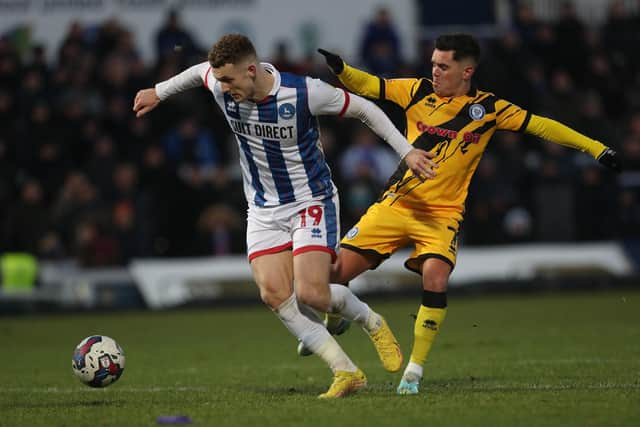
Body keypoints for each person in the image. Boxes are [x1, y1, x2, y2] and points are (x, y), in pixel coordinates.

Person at [307, 33, 621, 395]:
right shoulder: (415, 91)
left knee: (436, 278)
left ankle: (413, 371)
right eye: (433, 64)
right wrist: (341, 68)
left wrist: (596, 148)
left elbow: (542, 125)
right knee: (332, 275)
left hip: (442, 215)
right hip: (397, 204)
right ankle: (337, 317)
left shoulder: (489, 110)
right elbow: (371, 86)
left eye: (443, 65)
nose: (435, 71)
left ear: (466, 70)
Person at [132, 34, 437, 398]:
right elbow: (199, 72)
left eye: (229, 80)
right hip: (263, 208)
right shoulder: (220, 82)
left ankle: (371, 321)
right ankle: (346, 372)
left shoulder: (305, 92)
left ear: (251, 69)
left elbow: (364, 109)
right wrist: (158, 91)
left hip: (311, 200)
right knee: (274, 293)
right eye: (220, 81)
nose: (223, 88)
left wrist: (407, 152)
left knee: (311, 293)